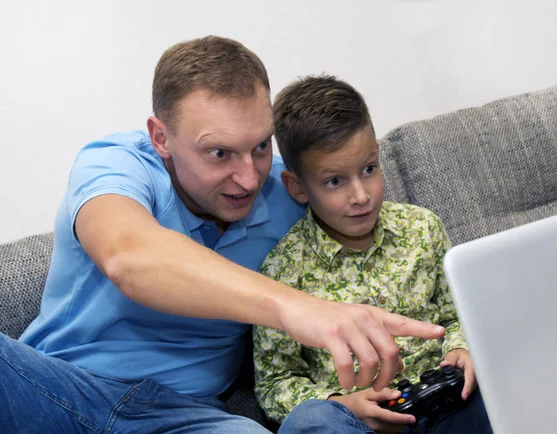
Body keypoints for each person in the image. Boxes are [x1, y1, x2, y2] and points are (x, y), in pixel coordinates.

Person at [0, 37, 445, 433]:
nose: (249, 179)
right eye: (219, 153)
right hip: (60, 390)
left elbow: (374, 237)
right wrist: (298, 309)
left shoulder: (288, 193)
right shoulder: (116, 164)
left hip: (189, 417)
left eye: (260, 146)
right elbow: (129, 257)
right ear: (161, 137)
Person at [253, 75, 493, 433]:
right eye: (335, 181)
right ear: (297, 187)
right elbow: (275, 384)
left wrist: (461, 349)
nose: (361, 195)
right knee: (310, 421)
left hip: (450, 408)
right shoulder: (282, 272)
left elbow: (458, 314)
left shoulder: (422, 228)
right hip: (362, 424)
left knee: (508, 369)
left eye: (369, 169)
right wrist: (341, 403)